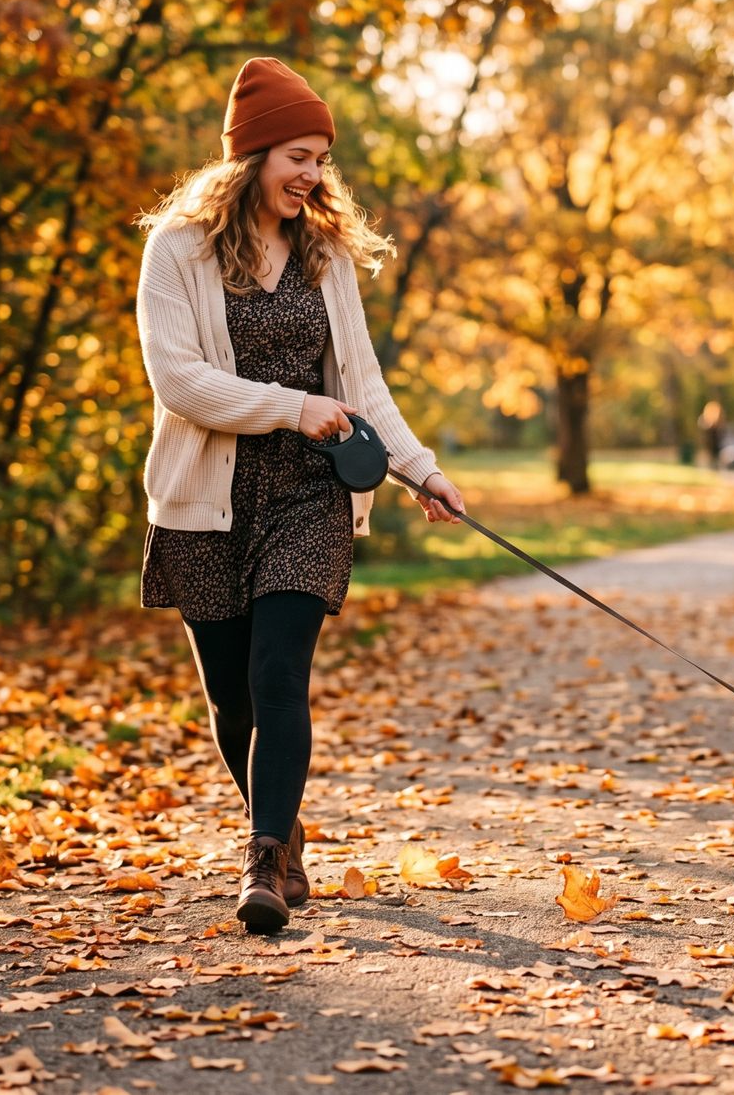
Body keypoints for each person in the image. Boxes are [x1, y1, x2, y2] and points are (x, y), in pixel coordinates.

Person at [133, 58, 467, 934]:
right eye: (298, 155)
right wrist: (295, 406)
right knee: (231, 702)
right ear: (250, 157)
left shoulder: (324, 256)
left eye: (321, 157)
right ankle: (285, 834)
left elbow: (364, 383)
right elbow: (180, 381)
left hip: (308, 497)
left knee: (279, 674)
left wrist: (420, 468)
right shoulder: (176, 248)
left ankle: (262, 861)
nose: (313, 174)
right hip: (205, 500)